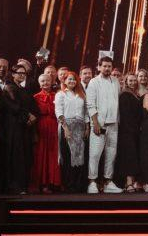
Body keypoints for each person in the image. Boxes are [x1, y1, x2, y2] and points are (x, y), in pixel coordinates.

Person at [85, 56, 123, 195]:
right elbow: (90, 104)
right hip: (99, 124)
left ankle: (108, 182)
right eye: (104, 66)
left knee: (111, 154)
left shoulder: (116, 81)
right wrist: (95, 123)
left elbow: (117, 102)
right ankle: (92, 182)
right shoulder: (94, 82)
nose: (107, 68)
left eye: (109, 66)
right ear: (99, 67)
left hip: (113, 124)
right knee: (95, 154)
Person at [3, 64, 37, 196]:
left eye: (24, 73)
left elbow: (31, 105)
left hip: (24, 127)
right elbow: (14, 107)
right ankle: (15, 187)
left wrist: (32, 117)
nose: (22, 75)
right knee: (16, 157)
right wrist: (28, 116)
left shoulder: (23, 89)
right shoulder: (9, 87)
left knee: (25, 156)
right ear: (13, 74)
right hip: (14, 127)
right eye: (19, 73)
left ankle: (23, 186)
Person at [55, 72, 88, 193]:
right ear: (64, 81)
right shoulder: (60, 94)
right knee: (68, 156)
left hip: (80, 127)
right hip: (66, 126)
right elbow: (59, 111)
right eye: (69, 79)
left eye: (74, 79)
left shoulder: (81, 95)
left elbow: (86, 113)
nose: (72, 81)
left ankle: (77, 185)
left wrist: (87, 128)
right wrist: (66, 128)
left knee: (79, 157)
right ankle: (68, 185)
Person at [30, 73, 60, 193]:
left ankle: (54, 183)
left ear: (52, 82)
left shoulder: (57, 96)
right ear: (39, 83)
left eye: (47, 80)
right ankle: (43, 183)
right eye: (42, 81)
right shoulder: (35, 97)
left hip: (54, 127)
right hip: (41, 128)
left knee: (54, 155)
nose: (45, 83)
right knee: (42, 155)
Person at [116, 73, 142, 192]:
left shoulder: (136, 94)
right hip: (127, 131)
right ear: (126, 82)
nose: (133, 83)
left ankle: (133, 181)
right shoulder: (124, 95)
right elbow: (125, 115)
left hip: (135, 130)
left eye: (134, 80)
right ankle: (128, 182)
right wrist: (130, 130)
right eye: (130, 81)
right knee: (128, 156)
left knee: (133, 155)